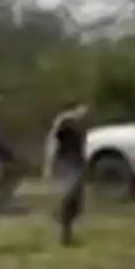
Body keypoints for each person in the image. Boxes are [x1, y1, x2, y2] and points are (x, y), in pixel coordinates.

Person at [45, 103, 88, 245]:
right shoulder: (64, 126)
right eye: (82, 108)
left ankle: (67, 227)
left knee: (77, 202)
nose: (85, 112)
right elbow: (52, 142)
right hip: (67, 164)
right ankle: (65, 231)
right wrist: (49, 164)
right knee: (69, 195)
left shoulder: (79, 127)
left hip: (78, 164)